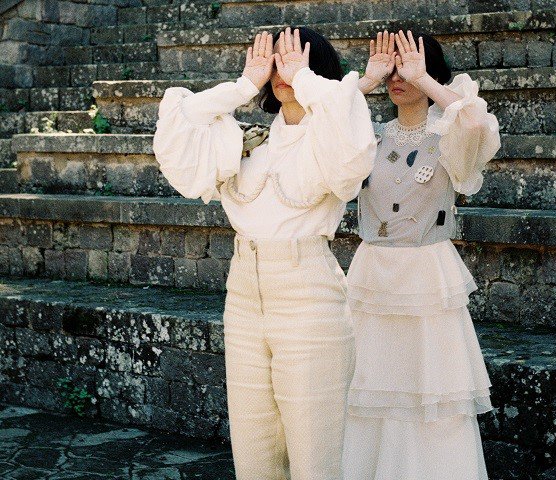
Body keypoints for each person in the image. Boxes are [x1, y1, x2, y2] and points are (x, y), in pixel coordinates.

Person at [152, 26, 377, 480]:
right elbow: (176, 134)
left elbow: (349, 140)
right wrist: (242, 86)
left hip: (309, 296)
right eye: (276, 62)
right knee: (255, 448)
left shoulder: (334, 131)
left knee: (318, 448)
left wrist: (304, 79)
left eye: (295, 58)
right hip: (243, 295)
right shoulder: (244, 141)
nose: (282, 71)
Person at [342, 30, 501, 479]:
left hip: (428, 275)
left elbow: (475, 124)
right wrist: (366, 83)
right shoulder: (366, 136)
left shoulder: (449, 134)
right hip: (373, 272)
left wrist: (425, 80)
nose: (398, 76)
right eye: (391, 67)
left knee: (432, 391)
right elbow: (319, 121)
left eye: (407, 65)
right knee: (370, 388)